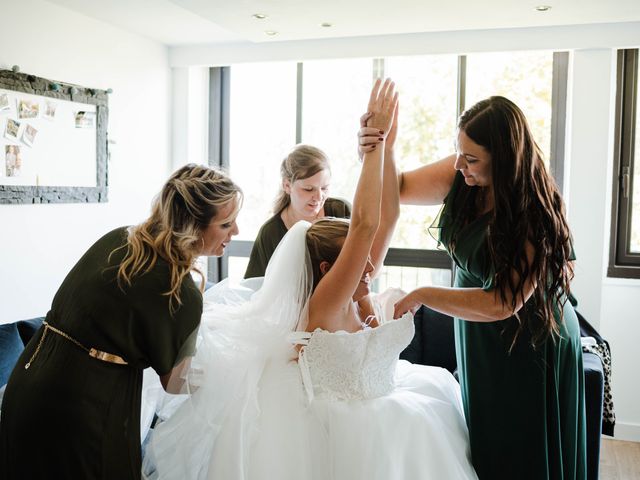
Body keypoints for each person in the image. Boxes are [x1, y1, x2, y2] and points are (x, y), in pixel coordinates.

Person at [143, 79, 478, 480]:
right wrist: (371, 151)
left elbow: (386, 217)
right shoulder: (328, 302)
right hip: (343, 433)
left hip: (394, 415)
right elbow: (366, 224)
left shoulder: (359, 294)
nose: (369, 267)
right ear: (327, 272)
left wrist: (388, 148)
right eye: (357, 265)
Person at [0, 164, 242, 480]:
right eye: (226, 224)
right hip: (84, 406)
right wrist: (232, 375)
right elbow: (175, 381)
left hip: (30, 380)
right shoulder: (177, 288)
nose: (235, 232)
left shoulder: (118, 239)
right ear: (193, 225)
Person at [390, 96, 587, 479]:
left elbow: (501, 302)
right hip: (483, 338)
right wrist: (384, 146)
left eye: (472, 158)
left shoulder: (533, 213)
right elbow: (395, 188)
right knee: (488, 444)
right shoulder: (462, 177)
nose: (460, 164)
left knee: (522, 451)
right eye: (458, 152)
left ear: (504, 157)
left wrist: (422, 294)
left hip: (529, 343)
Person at [244, 144, 351, 278]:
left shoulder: (341, 211)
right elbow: (255, 286)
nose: (319, 197)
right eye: (308, 189)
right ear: (287, 185)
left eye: (324, 188)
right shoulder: (270, 233)